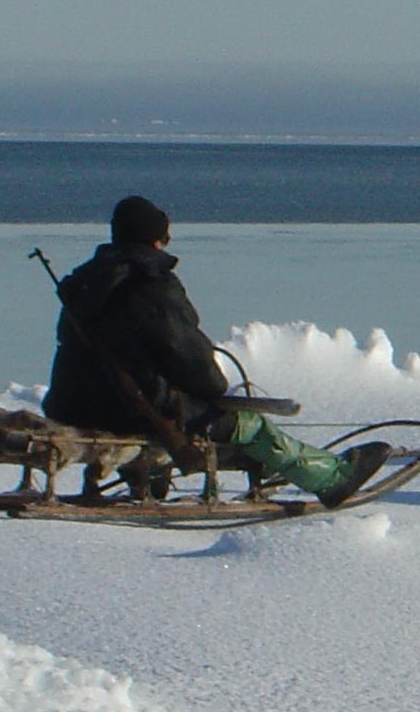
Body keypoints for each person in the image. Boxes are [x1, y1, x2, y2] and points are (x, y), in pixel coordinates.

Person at [45, 195, 390, 507]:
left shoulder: (84, 286)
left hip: (74, 407)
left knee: (154, 398)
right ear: (155, 240)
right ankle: (332, 479)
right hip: (136, 412)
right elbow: (189, 358)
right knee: (248, 424)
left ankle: (149, 480)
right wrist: (213, 389)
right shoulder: (152, 286)